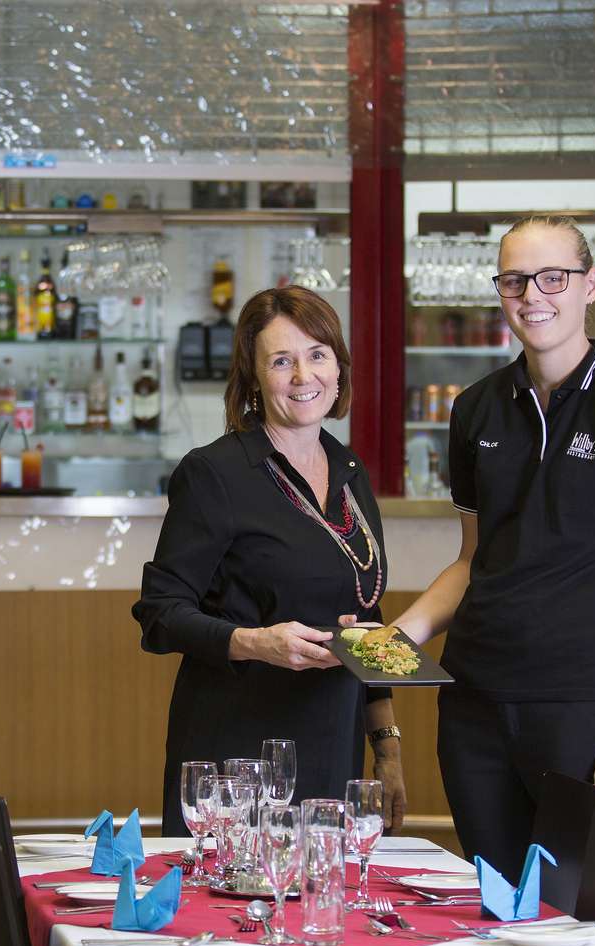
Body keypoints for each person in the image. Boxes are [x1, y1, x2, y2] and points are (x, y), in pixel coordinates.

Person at [388, 217, 595, 946]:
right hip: (479, 715)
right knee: (506, 932)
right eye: (516, 281)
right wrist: (401, 636)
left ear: (590, 285)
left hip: (585, 718)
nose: (533, 296)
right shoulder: (478, 409)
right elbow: (474, 563)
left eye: (552, 277)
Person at [134, 286, 405, 838]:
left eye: (318, 355)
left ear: (338, 367)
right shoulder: (216, 474)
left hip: (334, 739)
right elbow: (160, 613)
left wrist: (387, 747)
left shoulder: (349, 471)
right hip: (238, 756)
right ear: (254, 377)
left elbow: (367, 611)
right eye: (282, 361)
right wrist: (257, 642)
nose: (304, 376)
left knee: (321, 910)